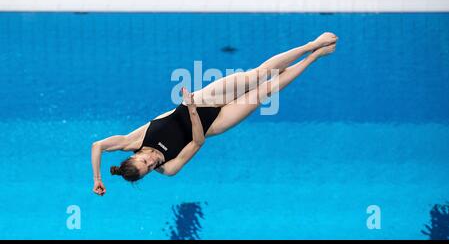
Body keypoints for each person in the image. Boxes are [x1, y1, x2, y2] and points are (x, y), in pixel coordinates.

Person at [91, 32, 338, 195]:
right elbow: (198, 142)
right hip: (213, 124)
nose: (152, 163)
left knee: (259, 74)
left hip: (205, 99)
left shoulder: (132, 141)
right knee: (267, 91)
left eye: (144, 161)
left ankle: (311, 44)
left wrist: (97, 179)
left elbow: (98, 145)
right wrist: (191, 110)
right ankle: (314, 58)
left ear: (135, 156)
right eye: (148, 169)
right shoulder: (169, 169)